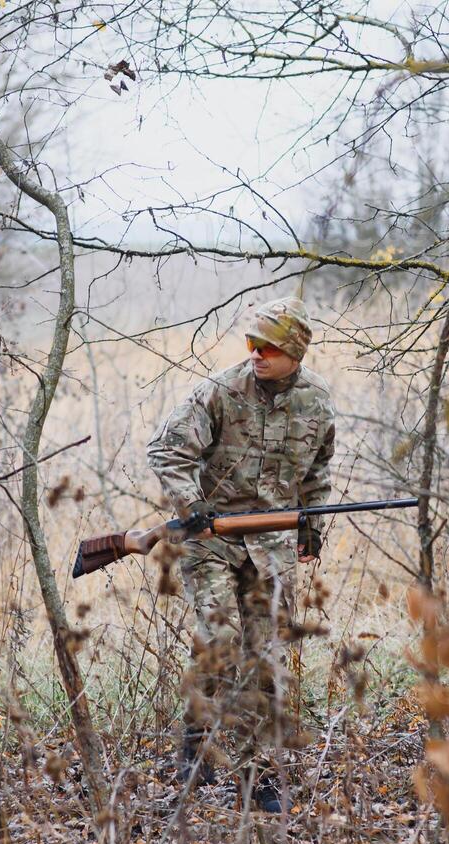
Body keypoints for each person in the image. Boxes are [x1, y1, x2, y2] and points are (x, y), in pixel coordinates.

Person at [146, 297, 336, 812]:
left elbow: (317, 473)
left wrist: (312, 527)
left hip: (273, 546)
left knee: (266, 659)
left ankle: (256, 776)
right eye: (251, 344)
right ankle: (196, 744)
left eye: (267, 348)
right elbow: (166, 450)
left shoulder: (317, 401)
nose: (255, 355)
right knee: (220, 637)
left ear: (294, 353)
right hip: (212, 539)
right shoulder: (219, 390)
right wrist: (194, 505)